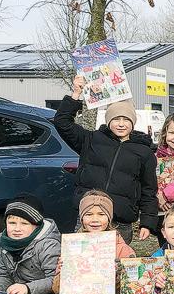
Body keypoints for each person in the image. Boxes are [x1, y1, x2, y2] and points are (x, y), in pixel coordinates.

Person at [56, 76, 158, 243]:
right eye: (116, 119)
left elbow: (149, 190)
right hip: (89, 216)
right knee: (83, 264)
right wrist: (76, 93)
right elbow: (62, 123)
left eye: (126, 120)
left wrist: (147, 222)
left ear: (133, 122)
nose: (121, 124)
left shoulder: (144, 152)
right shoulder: (91, 140)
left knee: (115, 266)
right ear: (108, 120)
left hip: (120, 221)